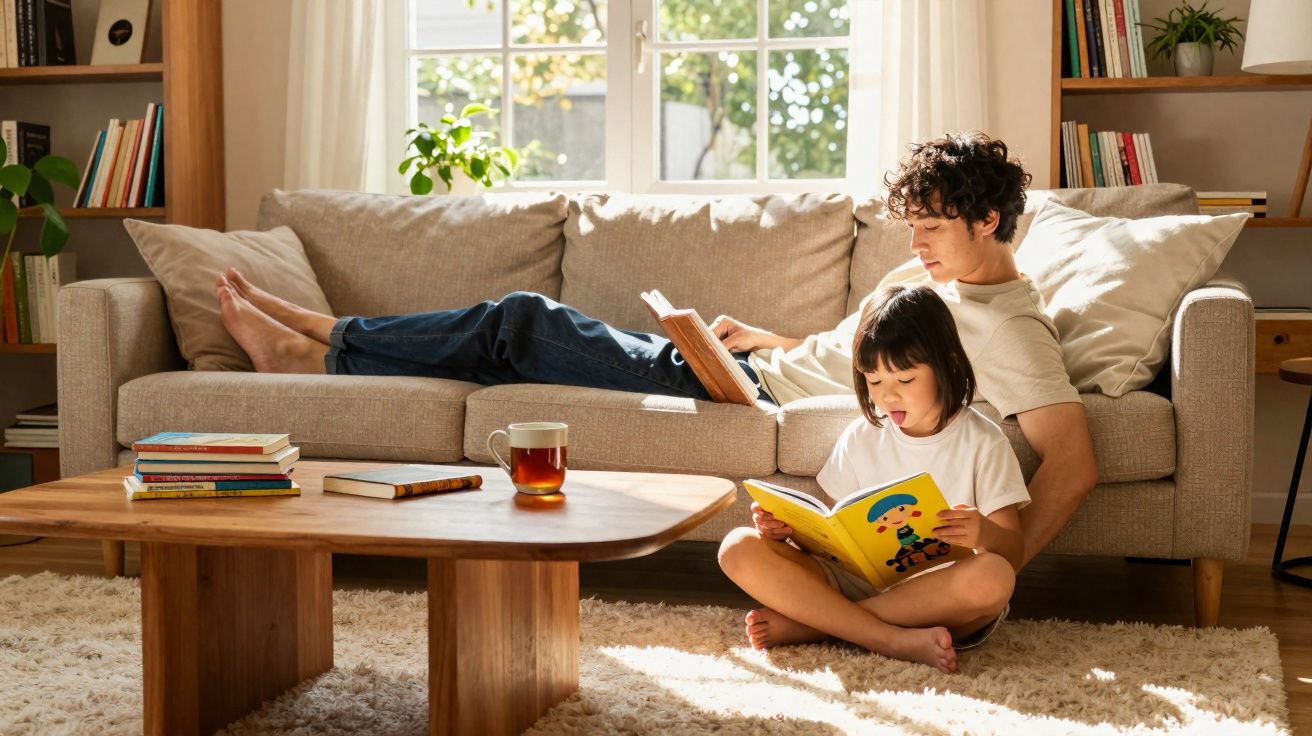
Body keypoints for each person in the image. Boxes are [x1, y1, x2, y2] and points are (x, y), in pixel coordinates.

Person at [218, 131, 1096, 565]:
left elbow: (1075, 460)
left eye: (935, 228)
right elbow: (850, 355)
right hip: (748, 370)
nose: (917, 246)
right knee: (512, 345)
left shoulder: (1009, 326)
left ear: (990, 219)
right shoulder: (938, 288)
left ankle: (323, 339)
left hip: (743, 397)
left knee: (521, 324)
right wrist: (768, 340)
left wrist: (1006, 561)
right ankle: (324, 354)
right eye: (912, 227)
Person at [719, 285, 1028, 673]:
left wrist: (983, 533)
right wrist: (787, 531)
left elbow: (1013, 552)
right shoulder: (862, 434)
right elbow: (832, 537)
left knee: (995, 577)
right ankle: (888, 638)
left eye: (905, 380)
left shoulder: (983, 442)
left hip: (939, 599)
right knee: (737, 547)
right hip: (855, 582)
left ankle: (819, 624)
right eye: (874, 381)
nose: (888, 397)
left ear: (947, 364)